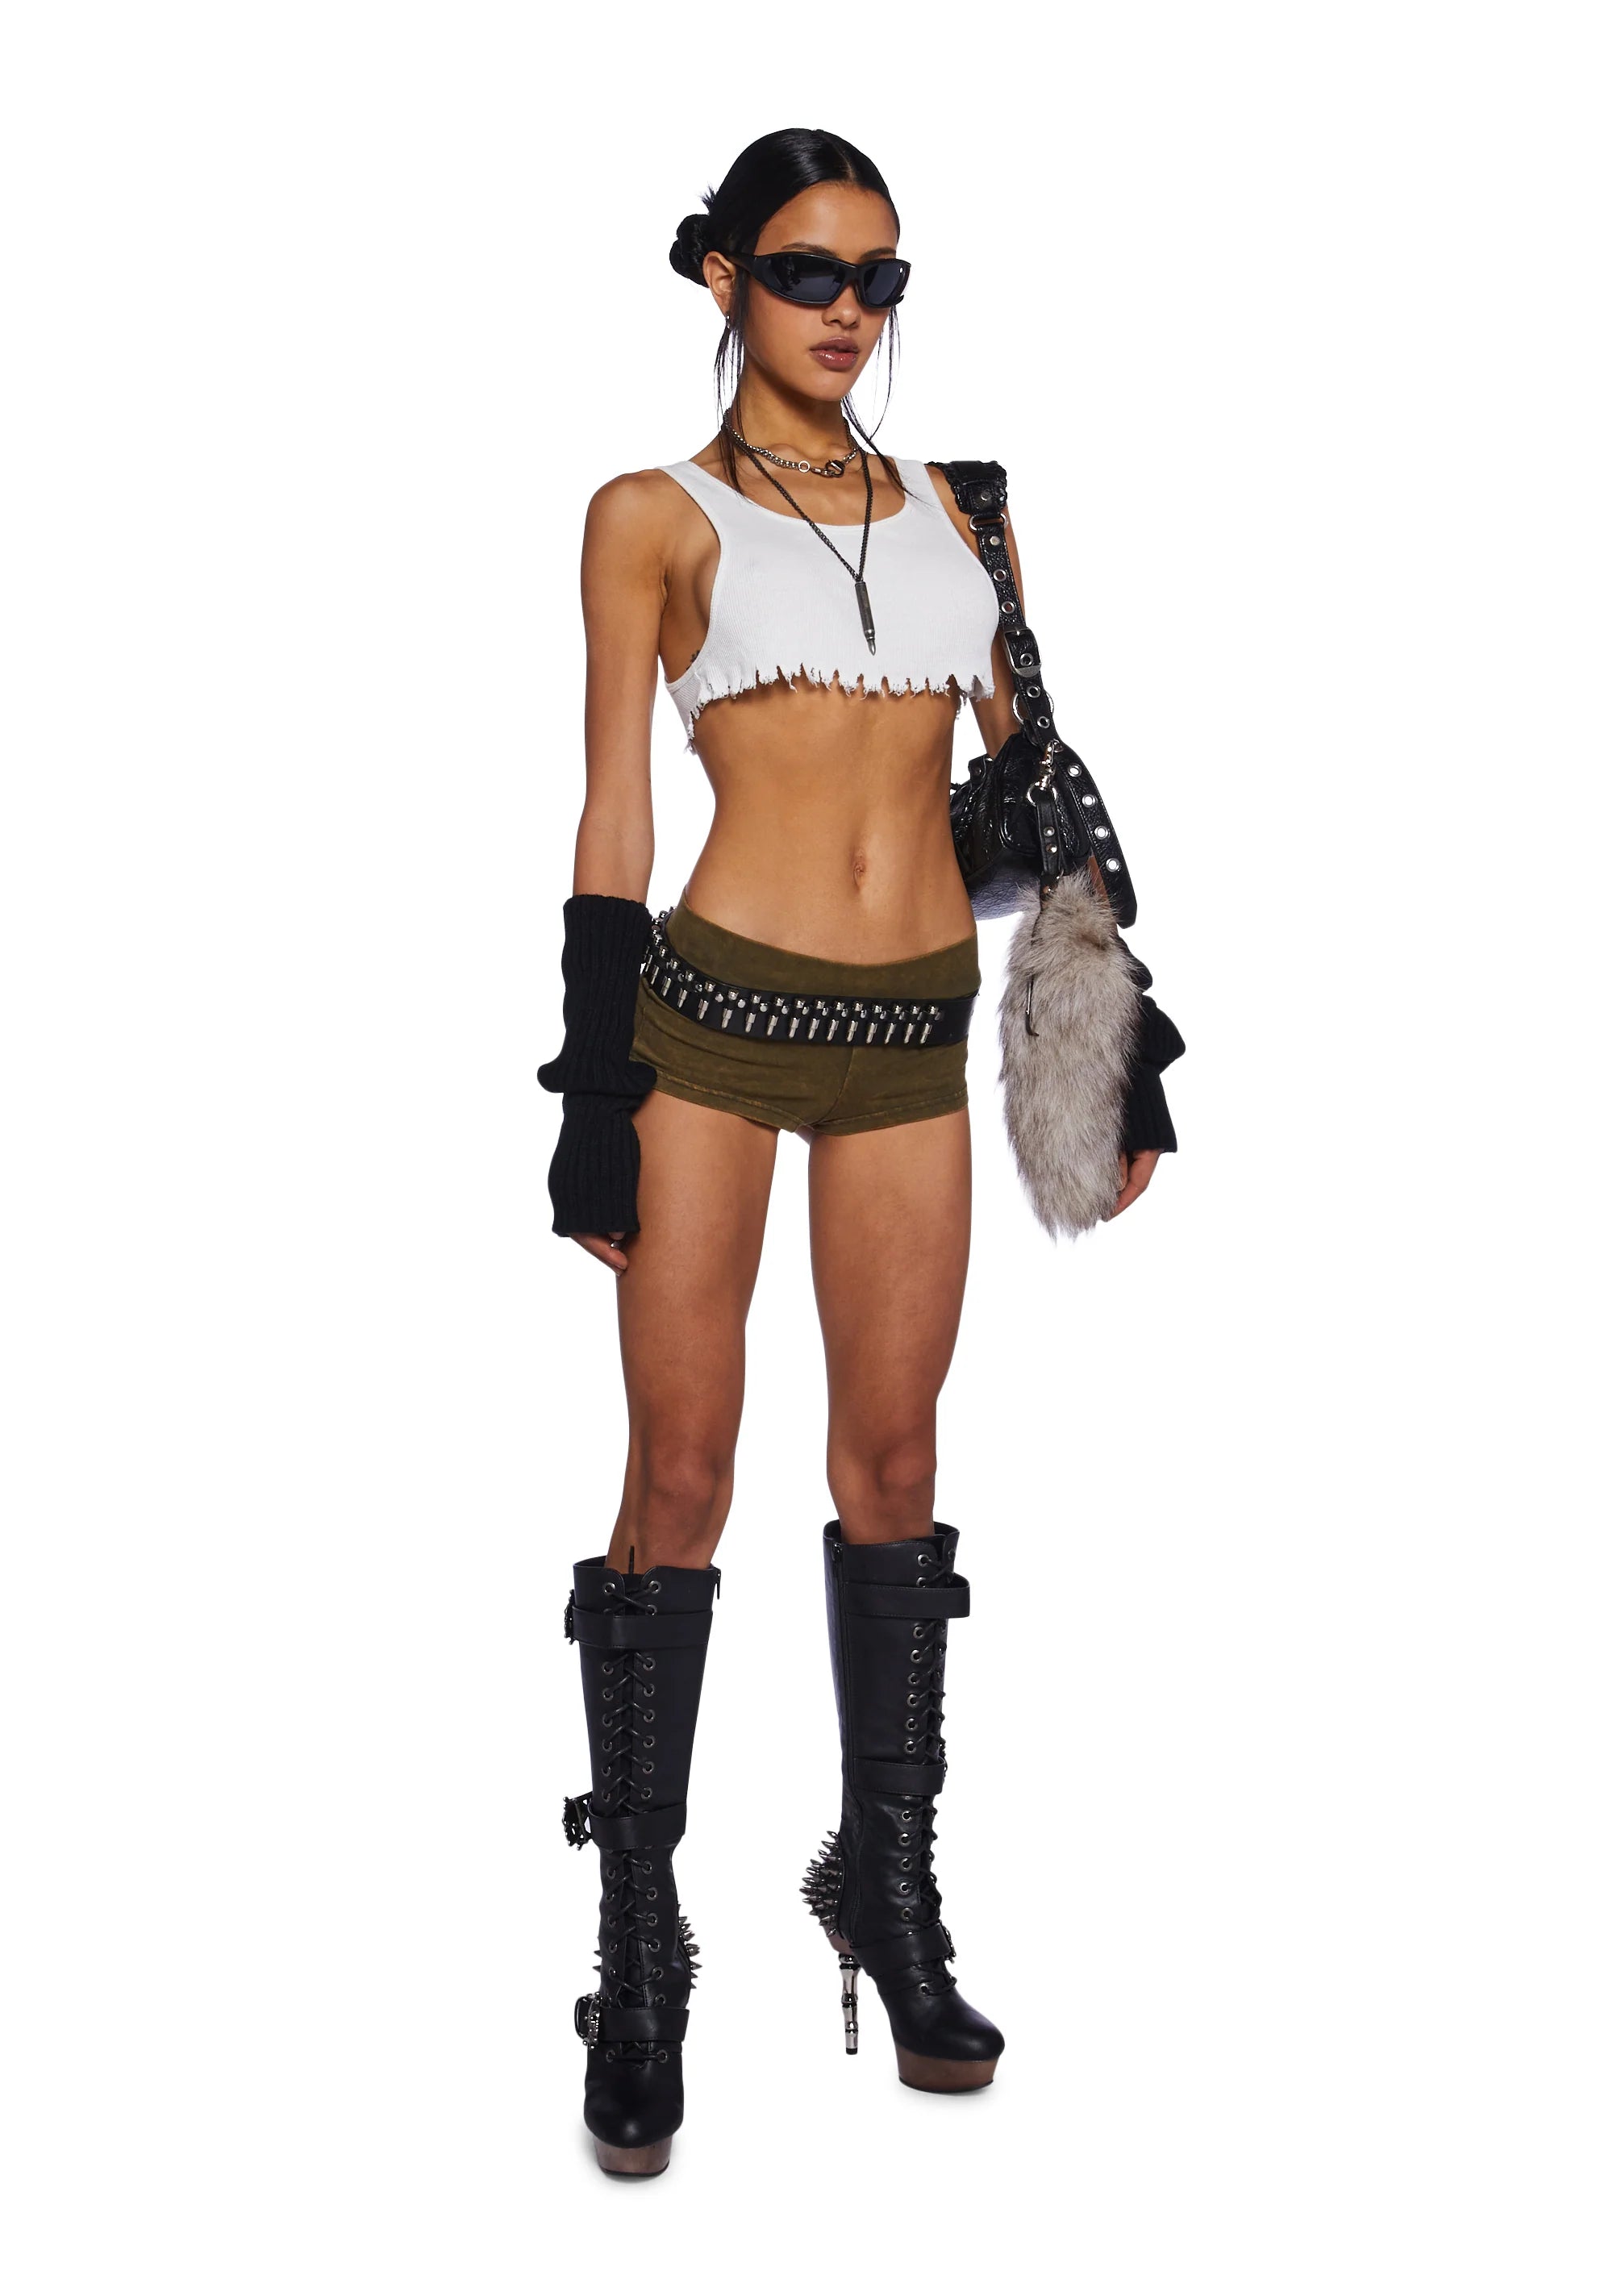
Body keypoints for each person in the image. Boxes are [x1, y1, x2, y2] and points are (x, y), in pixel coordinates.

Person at [538, 127, 1182, 2177]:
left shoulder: (963, 512)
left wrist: (1124, 1048)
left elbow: (1040, 782)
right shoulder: (652, 515)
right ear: (722, 276)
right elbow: (617, 810)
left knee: (894, 1465)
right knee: (680, 1474)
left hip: (907, 1033)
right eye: (809, 270)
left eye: (880, 277)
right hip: (710, 1026)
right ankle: (639, 1946)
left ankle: (884, 1889)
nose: (848, 310)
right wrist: (591, 1090)